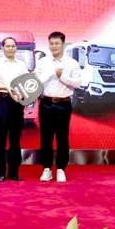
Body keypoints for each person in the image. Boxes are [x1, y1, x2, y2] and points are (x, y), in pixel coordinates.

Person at [35, 31, 80, 182]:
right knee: (45, 137)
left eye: (57, 43)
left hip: (63, 104)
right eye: (51, 43)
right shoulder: (43, 62)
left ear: (63, 44)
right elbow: (35, 81)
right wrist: (49, 74)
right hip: (46, 103)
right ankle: (46, 168)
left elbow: (78, 83)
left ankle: (61, 169)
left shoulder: (72, 63)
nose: (54, 46)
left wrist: (62, 76)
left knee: (62, 137)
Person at [0, 36, 29, 182]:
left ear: (16, 48)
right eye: (8, 46)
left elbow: (27, 83)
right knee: (1, 138)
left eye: (13, 46)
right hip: (3, 101)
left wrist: (23, 96)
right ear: (2, 48)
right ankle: (1, 173)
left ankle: (14, 172)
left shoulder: (21, 65)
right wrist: (7, 87)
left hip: (18, 102)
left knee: (16, 139)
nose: (11, 48)